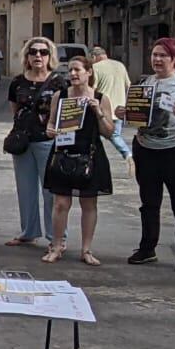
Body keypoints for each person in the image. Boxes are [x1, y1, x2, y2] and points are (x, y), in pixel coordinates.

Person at [123, 37, 175, 272]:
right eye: (155, 55)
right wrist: (125, 113)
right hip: (147, 150)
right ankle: (147, 248)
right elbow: (136, 115)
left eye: (163, 56)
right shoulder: (144, 82)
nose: (157, 59)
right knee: (149, 204)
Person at [43, 53, 115, 265]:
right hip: (63, 152)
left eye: (77, 70)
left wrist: (97, 111)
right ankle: (56, 246)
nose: (73, 74)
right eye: (70, 70)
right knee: (61, 203)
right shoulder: (60, 95)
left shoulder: (101, 98)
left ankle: (86, 249)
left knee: (88, 203)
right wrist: (50, 131)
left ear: (89, 73)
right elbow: (50, 124)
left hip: (90, 154)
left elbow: (109, 132)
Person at [3, 39, 66, 247]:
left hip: (48, 141)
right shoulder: (18, 82)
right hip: (22, 142)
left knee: (51, 191)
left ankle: (55, 237)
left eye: (43, 52)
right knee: (25, 189)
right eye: (33, 52)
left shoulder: (59, 82)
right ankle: (28, 231)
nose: (38, 56)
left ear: (50, 56)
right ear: (27, 57)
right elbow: (15, 110)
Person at [90, 44, 134, 172]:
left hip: (103, 109)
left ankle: (128, 155)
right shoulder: (120, 65)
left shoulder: (95, 67)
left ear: (94, 57)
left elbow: (93, 88)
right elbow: (128, 85)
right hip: (119, 108)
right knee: (114, 135)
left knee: (108, 137)